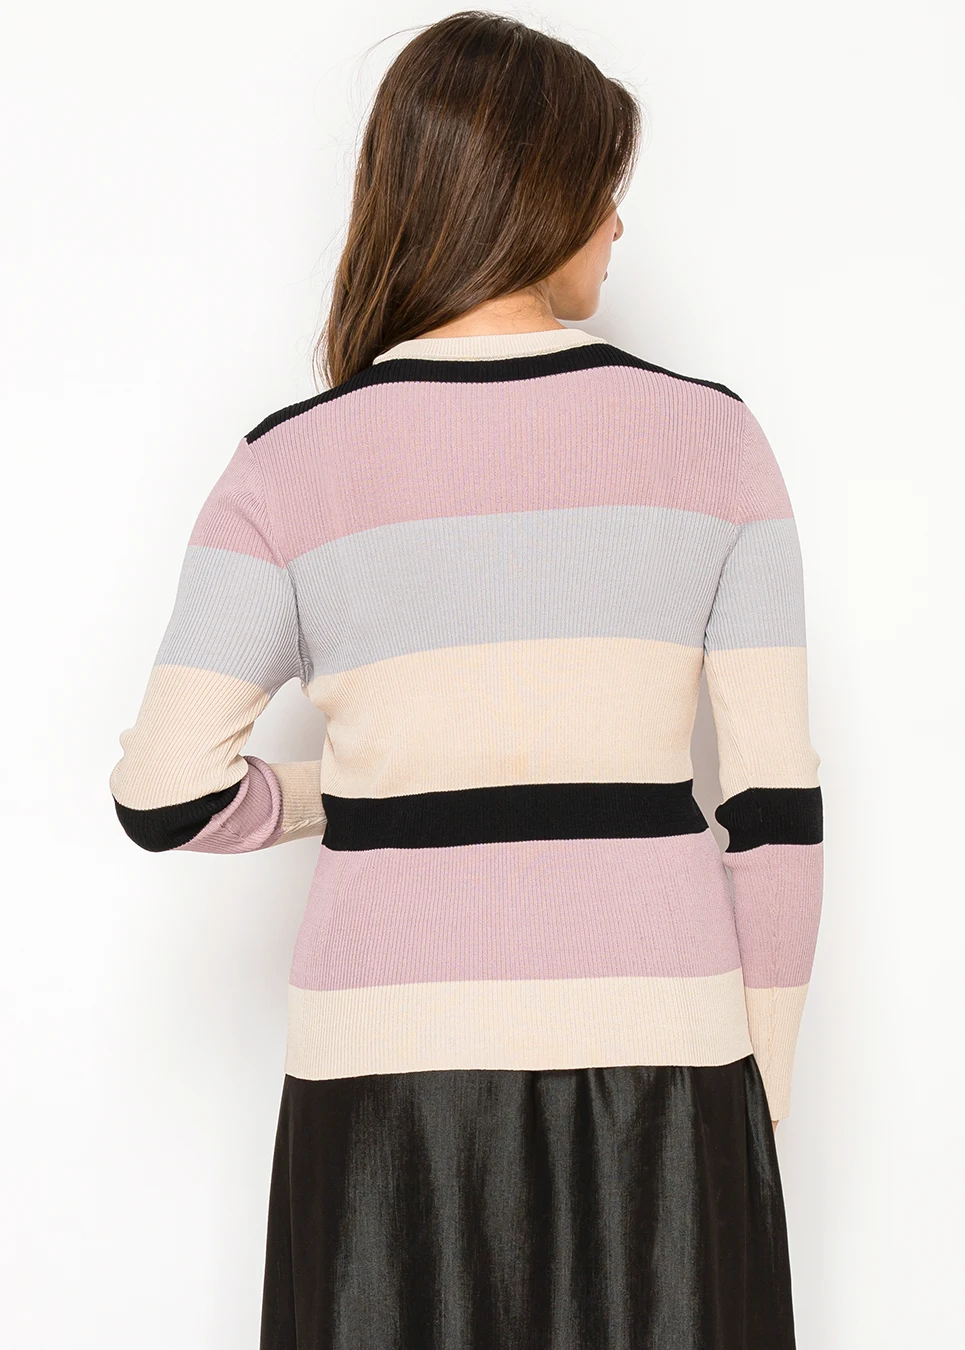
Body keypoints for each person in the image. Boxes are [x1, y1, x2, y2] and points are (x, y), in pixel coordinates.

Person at [109, 10, 823, 1348]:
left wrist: (352, 791)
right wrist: (754, 1098)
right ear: (536, 193)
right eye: (603, 185)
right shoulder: (712, 439)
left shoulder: (288, 462)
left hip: (383, 1077)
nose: (619, 223)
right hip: (666, 1059)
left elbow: (163, 794)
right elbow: (775, 809)